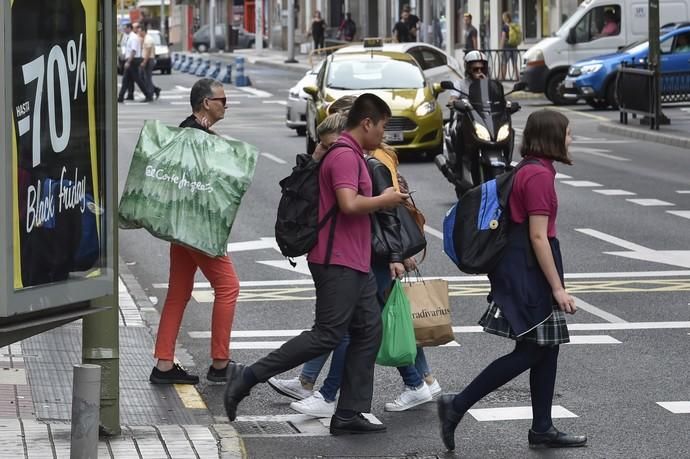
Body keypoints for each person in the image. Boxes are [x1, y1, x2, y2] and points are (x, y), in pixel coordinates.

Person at [223, 94, 409, 435]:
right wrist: (386, 200)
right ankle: (246, 378)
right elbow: (349, 204)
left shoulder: (353, 154)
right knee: (327, 335)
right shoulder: (344, 156)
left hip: (355, 260)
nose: (383, 134)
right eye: (382, 126)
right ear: (367, 123)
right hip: (336, 260)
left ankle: (349, 412)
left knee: (369, 331)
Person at [269, 112, 441, 416]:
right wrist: (316, 154)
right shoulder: (345, 159)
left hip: (374, 254)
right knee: (361, 325)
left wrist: (396, 256)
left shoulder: (371, 161)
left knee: (360, 326)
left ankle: (330, 393)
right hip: (363, 252)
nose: (331, 150)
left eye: (333, 143)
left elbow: (389, 213)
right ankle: (414, 383)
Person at [437, 109, 588, 452]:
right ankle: (456, 405)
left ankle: (542, 428)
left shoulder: (533, 170)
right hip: (528, 268)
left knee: (547, 348)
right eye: (567, 133)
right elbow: (538, 236)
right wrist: (558, 288)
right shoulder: (537, 177)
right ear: (551, 137)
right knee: (532, 349)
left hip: (526, 265)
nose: (570, 139)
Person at [149, 78, 241, 385]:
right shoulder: (197, 137)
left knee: (178, 292)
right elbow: (205, 188)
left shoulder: (188, 130)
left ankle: (164, 363)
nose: (225, 105)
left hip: (181, 227)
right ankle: (220, 363)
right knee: (228, 286)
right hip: (197, 227)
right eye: (222, 100)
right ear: (206, 103)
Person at [118, 23, 152, 103]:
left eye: (125, 28)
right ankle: (127, 95)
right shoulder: (130, 37)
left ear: (129, 28)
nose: (124, 30)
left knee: (136, 79)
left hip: (133, 60)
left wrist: (128, 62)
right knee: (128, 79)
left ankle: (148, 95)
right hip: (132, 60)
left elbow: (133, 51)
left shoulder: (133, 38)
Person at [139, 24, 161, 102]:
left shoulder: (148, 39)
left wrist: (144, 62)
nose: (139, 33)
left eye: (140, 31)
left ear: (143, 31)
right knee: (143, 77)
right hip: (147, 59)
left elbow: (148, 52)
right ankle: (155, 90)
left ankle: (150, 95)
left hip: (148, 60)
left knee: (147, 78)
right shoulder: (144, 38)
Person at [500, 12, 520, 81]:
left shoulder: (505, 27)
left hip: (506, 47)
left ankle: (503, 78)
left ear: (507, 19)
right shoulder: (513, 26)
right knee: (515, 63)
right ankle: (517, 77)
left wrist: (501, 48)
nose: (503, 19)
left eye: (504, 18)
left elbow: (503, 37)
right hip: (514, 47)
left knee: (504, 63)